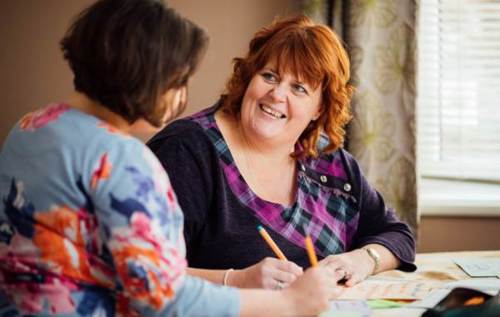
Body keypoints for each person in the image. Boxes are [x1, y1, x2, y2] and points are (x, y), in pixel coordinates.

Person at [0, 2, 341, 316]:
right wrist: (288, 302)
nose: (182, 93)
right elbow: (166, 298)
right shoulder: (125, 162)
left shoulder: (32, 125)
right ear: (143, 78)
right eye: (177, 81)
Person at [148, 14, 417, 291]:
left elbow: (397, 235)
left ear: (320, 109)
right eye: (269, 76)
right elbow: (138, 272)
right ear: (249, 76)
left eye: (299, 88)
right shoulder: (185, 150)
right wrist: (235, 280)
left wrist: (362, 260)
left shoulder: (329, 161)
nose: (277, 95)